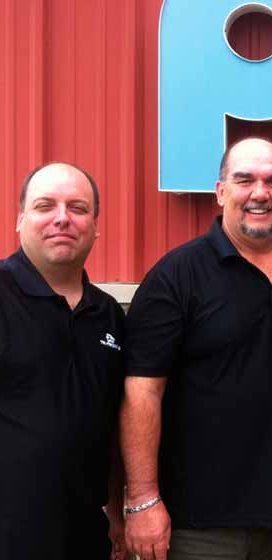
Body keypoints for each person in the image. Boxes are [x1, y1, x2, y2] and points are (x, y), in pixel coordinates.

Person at [120, 137, 272, 560]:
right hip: (199, 523)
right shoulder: (177, 276)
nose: (260, 193)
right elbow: (142, 392)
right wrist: (143, 498)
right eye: (244, 180)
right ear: (220, 192)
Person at [0, 163, 126, 559]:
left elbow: (110, 428)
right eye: (45, 206)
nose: (62, 218)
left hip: (86, 537)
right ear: (21, 220)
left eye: (77, 207)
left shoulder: (108, 316)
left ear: (95, 225)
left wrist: (117, 514)